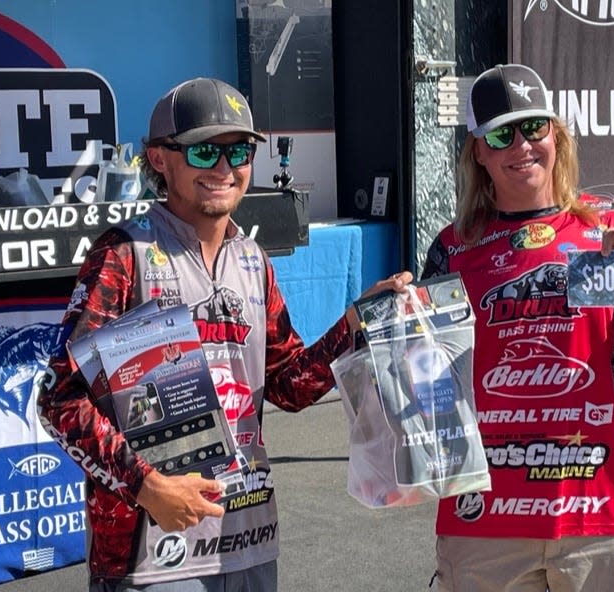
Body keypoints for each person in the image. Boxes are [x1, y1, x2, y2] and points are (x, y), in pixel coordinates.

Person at [37, 77, 412, 592]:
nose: (223, 168)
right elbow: (59, 399)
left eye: (238, 151)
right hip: (152, 556)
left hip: (246, 537)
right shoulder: (123, 255)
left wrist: (354, 325)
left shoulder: (251, 260)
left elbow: (289, 385)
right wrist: (146, 486)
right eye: (203, 150)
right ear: (159, 159)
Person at [420, 64, 614, 592]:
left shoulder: (612, 226)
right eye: (501, 133)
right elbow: (428, 380)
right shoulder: (454, 248)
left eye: (534, 127)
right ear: (479, 152)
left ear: (556, 134)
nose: (522, 145)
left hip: (602, 517)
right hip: (485, 522)